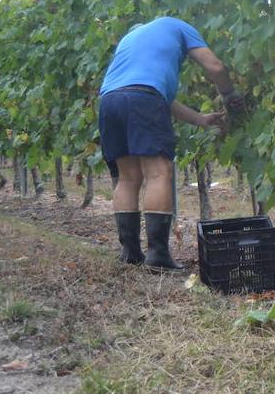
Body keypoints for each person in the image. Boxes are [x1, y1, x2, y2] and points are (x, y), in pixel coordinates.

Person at [97, 16, 244, 270]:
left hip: (109, 101)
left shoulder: (129, 43)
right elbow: (215, 66)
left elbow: (160, 96)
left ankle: (130, 254)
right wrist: (230, 94)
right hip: (143, 98)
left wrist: (200, 119)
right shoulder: (178, 26)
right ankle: (158, 256)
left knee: (128, 177)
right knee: (158, 173)